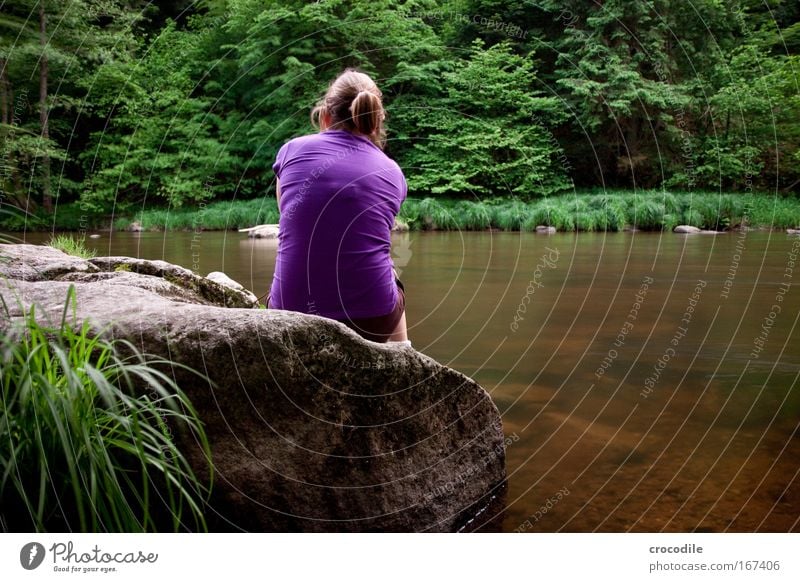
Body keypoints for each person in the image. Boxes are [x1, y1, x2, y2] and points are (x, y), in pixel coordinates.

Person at [267, 69, 409, 344]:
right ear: (375, 121)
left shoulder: (291, 151)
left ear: (325, 116)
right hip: (372, 321)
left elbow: (288, 216)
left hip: (290, 311)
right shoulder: (392, 172)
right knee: (388, 269)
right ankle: (404, 354)